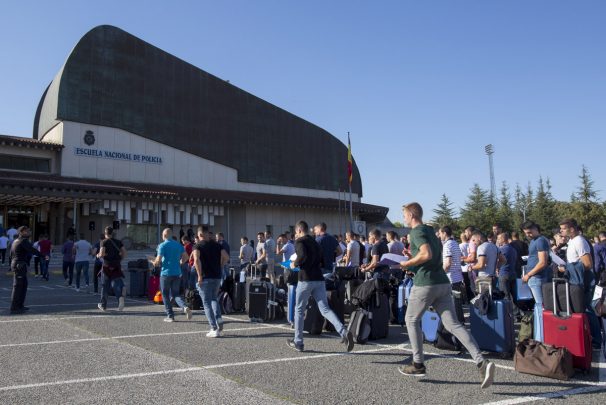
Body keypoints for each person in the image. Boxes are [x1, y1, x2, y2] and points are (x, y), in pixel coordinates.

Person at [397, 203, 495, 388]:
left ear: (411, 215)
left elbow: (425, 255)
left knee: (411, 320)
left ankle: (418, 364)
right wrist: (412, 256)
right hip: (443, 283)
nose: (403, 219)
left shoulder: (416, 232)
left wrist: (407, 262)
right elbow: (430, 255)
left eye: (404, 215)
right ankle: (481, 362)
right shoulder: (431, 231)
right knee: (453, 324)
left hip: (426, 284)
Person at [287, 220, 354, 352]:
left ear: (299, 230)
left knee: (299, 310)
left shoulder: (300, 242)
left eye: (296, 232)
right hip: (319, 278)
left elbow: (301, 256)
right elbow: (323, 260)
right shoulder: (315, 241)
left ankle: (298, 341)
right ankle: (343, 331)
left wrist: (294, 264)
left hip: (305, 279)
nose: (296, 235)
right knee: (325, 309)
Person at [559, 219, 601, 348]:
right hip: (576, 279)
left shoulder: (579, 241)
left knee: (587, 309)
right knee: (582, 308)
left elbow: (588, 264)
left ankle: (596, 340)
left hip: (583, 281)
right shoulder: (572, 241)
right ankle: (590, 337)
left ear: (572, 229)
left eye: (563, 228)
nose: (561, 231)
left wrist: (567, 268)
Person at [193, 225, 229, 337]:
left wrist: (199, 275)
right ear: (207, 233)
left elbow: (196, 261)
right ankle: (219, 319)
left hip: (205, 277)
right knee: (214, 299)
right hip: (217, 276)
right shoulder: (217, 245)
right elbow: (226, 257)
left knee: (206, 303)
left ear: (200, 234)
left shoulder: (197, 246)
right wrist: (220, 265)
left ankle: (213, 328)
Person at [152, 228, 191, 322]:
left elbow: (158, 260)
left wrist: (153, 262)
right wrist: (180, 263)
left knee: (165, 294)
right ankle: (184, 307)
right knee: (176, 294)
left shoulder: (162, 245)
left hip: (166, 273)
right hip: (177, 272)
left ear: (164, 235)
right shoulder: (178, 245)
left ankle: (170, 316)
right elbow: (186, 257)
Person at [521, 220, 551, 342]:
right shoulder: (536, 241)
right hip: (535, 277)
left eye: (529, 232)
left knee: (540, 306)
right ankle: (540, 335)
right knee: (539, 306)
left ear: (535, 228)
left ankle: (541, 336)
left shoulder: (540, 240)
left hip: (537, 277)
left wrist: (529, 274)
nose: (528, 235)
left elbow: (542, 262)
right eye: (525, 233)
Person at [9, 226, 47, 314]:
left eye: (29, 231)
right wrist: (44, 256)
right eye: (27, 231)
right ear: (21, 232)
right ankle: (14, 307)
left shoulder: (15, 241)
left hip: (18, 264)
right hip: (20, 265)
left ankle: (20, 305)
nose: (29, 232)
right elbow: (32, 250)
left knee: (23, 286)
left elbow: (11, 254)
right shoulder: (23, 241)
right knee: (18, 287)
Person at [96, 226, 127, 311]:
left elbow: (102, 254)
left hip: (106, 266)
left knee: (105, 286)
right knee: (116, 284)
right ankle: (120, 298)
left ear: (105, 233)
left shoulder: (103, 242)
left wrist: (98, 255)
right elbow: (124, 253)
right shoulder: (118, 242)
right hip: (116, 265)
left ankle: (103, 305)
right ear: (112, 233)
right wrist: (119, 259)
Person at [438, 226, 465, 299]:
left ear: (445, 233)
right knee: (457, 304)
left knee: (452, 304)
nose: (439, 235)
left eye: (440, 233)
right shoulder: (455, 243)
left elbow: (447, 264)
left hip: (451, 278)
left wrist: (440, 275)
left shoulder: (447, 245)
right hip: (458, 277)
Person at [496, 232, 519, 316]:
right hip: (513, 273)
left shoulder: (501, 250)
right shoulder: (513, 249)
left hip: (504, 273)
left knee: (505, 296)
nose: (497, 240)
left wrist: (496, 268)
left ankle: (510, 314)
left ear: (503, 239)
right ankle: (517, 314)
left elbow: (498, 261)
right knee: (514, 296)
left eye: (498, 238)